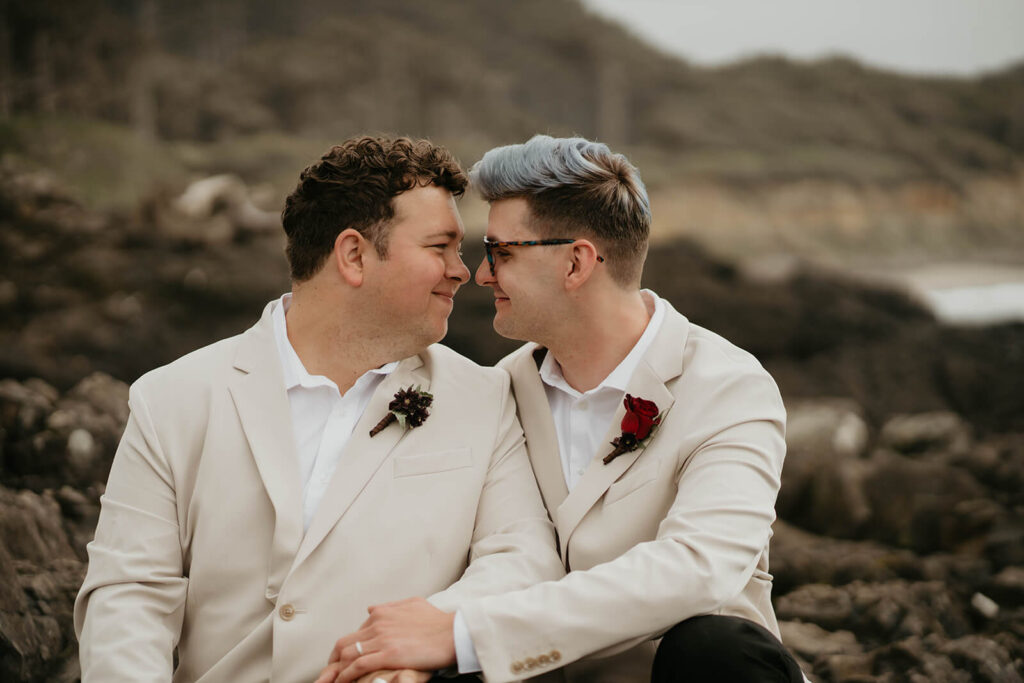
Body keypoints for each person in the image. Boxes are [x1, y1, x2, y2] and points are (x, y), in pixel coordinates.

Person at [73, 136, 564, 683]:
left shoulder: (485, 397)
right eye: (440, 247)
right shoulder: (172, 397)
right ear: (353, 255)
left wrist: (430, 635)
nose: (463, 271)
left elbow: (523, 561)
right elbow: (129, 597)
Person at [319, 135, 804, 683]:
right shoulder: (498, 392)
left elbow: (698, 568)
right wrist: (410, 656)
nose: (481, 274)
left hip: (695, 674)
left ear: (576, 263)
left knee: (715, 647)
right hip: (536, 676)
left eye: (501, 253)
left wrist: (463, 634)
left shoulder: (727, 387)